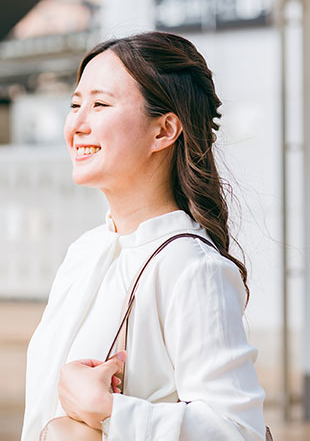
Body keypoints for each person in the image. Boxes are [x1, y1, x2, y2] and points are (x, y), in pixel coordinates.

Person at [22, 31, 267, 440]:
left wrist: (109, 411)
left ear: (164, 130)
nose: (77, 124)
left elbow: (239, 431)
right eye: (75, 105)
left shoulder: (192, 268)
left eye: (100, 105)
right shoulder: (85, 252)